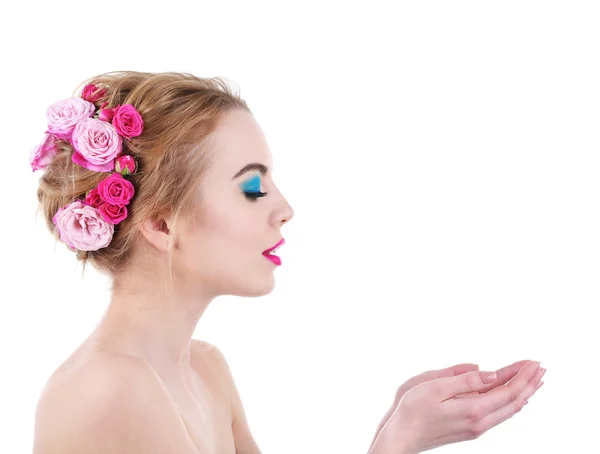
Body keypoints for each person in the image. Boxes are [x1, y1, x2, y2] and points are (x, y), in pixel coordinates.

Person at [31, 71, 546, 454]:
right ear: (162, 224)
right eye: (253, 187)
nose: (285, 208)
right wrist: (398, 444)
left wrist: (394, 430)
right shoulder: (106, 391)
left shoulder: (204, 368)